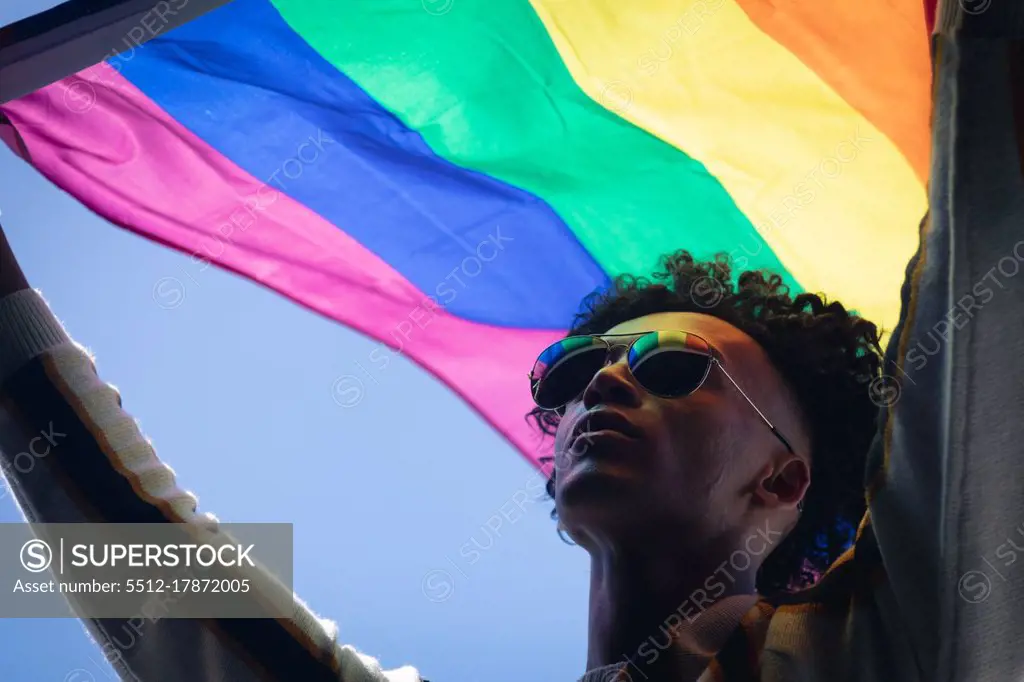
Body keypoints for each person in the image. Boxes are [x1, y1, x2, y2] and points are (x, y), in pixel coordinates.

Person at [1, 3, 1022, 681]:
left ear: (784, 479)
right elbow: (160, 581)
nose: (609, 383)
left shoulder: (900, 640)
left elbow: (977, 289)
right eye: (576, 372)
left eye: (675, 371)